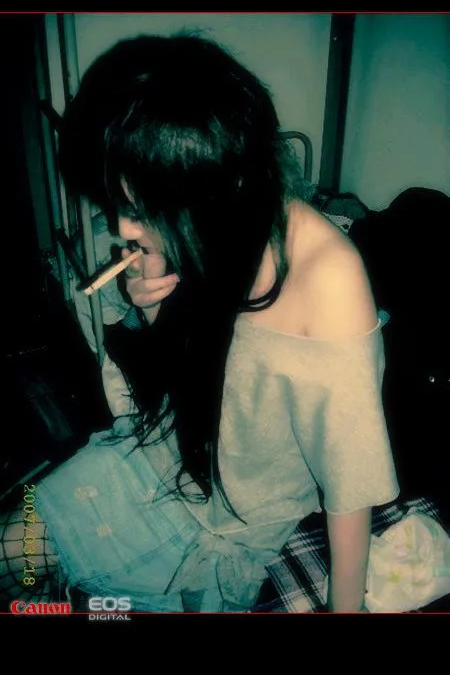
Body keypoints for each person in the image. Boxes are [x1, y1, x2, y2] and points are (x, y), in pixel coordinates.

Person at [0, 32, 400, 613]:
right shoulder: (211, 223)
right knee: (14, 545)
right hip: (153, 455)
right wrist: (149, 301)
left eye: (138, 209)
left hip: (222, 521)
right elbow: (174, 376)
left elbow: (349, 478)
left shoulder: (328, 277)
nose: (123, 228)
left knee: (73, 597)